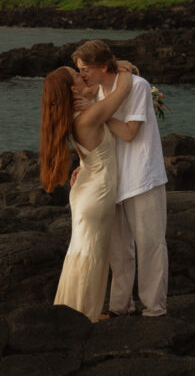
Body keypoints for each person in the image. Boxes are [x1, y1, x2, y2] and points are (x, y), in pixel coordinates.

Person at [71, 40, 168, 318]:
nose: (83, 75)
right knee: (118, 249)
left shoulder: (137, 86)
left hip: (142, 174)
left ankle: (155, 308)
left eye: (86, 68)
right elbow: (98, 136)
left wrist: (98, 109)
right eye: (80, 69)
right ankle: (120, 306)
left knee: (150, 244)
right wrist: (84, 164)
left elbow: (128, 133)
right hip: (112, 176)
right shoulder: (99, 91)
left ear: (103, 66)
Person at [39, 62, 133, 322]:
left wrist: (82, 165)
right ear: (72, 89)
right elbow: (123, 91)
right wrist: (121, 67)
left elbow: (92, 149)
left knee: (80, 254)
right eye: (76, 75)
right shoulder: (90, 115)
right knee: (91, 256)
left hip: (86, 189)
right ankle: (84, 315)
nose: (81, 75)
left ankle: (71, 311)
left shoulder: (71, 116)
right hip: (97, 193)